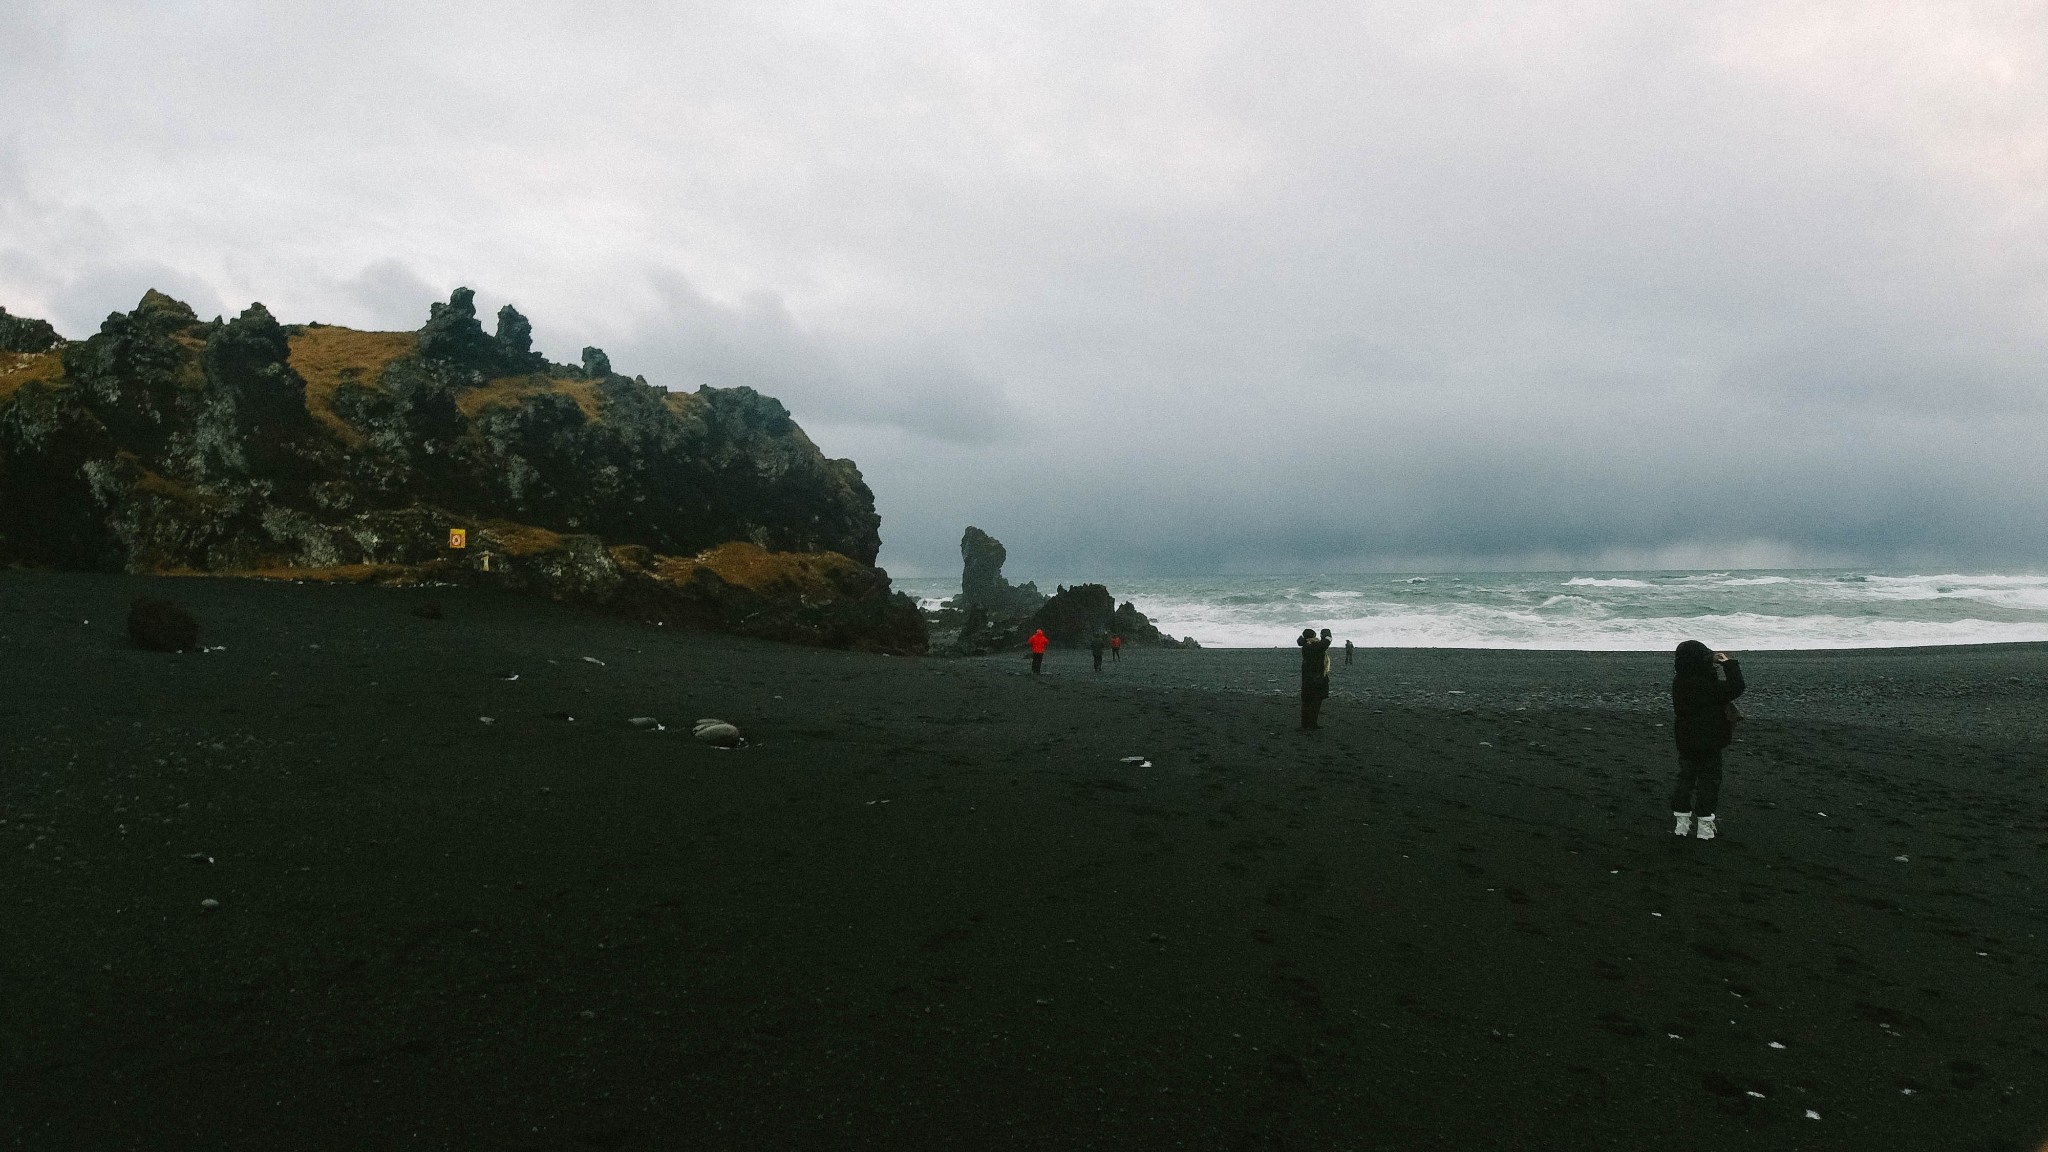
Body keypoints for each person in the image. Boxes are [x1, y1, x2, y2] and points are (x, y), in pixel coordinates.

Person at [1670, 639, 1745, 840]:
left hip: (1685, 740)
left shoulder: (1679, 682)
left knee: (1685, 779)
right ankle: (1704, 826)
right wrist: (1728, 663)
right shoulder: (1709, 685)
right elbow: (1737, 686)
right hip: (1711, 740)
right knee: (1709, 781)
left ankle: (1681, 824)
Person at [1297, 627, 1332, 729]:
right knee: (1315, 701)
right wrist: (1327, 635)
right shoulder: (1313, 646)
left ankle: (1305, 724)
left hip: (1307, 677)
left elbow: (1322, 644)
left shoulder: (1306, 645)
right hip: (1316, 678)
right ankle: (1312, 724)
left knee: (1306, 701)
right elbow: (1326, 643)